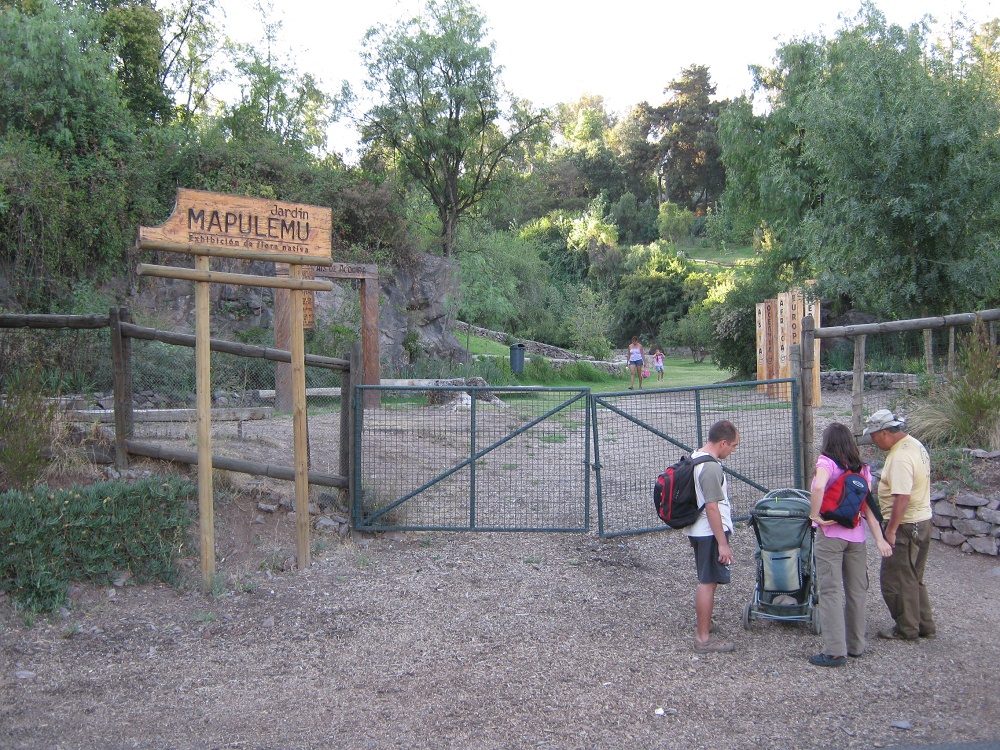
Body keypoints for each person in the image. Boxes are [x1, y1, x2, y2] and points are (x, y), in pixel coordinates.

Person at [807, 423, 893, 667]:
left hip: (831, 536)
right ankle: (856, 645)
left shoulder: (827, 463)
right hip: (856, 538)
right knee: (857, 591)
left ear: (827, 443)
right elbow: (867, 509)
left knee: (831, 591)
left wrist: (815, 515)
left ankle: (835, 650)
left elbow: (821, 486)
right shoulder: (863, 470)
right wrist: (879, 539)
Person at [863, 408, 936, 641]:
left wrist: (891, 531)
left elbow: (902, 497)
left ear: (885, 432)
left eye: (874, 436)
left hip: (906, 525)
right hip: (922, 520)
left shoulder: (900, 457)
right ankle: (924, 625)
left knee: (894, 579)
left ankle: (906, 628)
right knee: (914, 576)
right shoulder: (914, 444)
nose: (873, 441)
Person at [686, 420, 740, 653]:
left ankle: (705, 623)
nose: (734, 450)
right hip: (708, 532)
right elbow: (711, 508)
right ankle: (702, 638)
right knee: (707, 583)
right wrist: (723, 544)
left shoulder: (696, 455)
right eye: (734, 446)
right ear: (723, 442)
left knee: (709, 580)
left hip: (698, 530)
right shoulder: (711, 468)